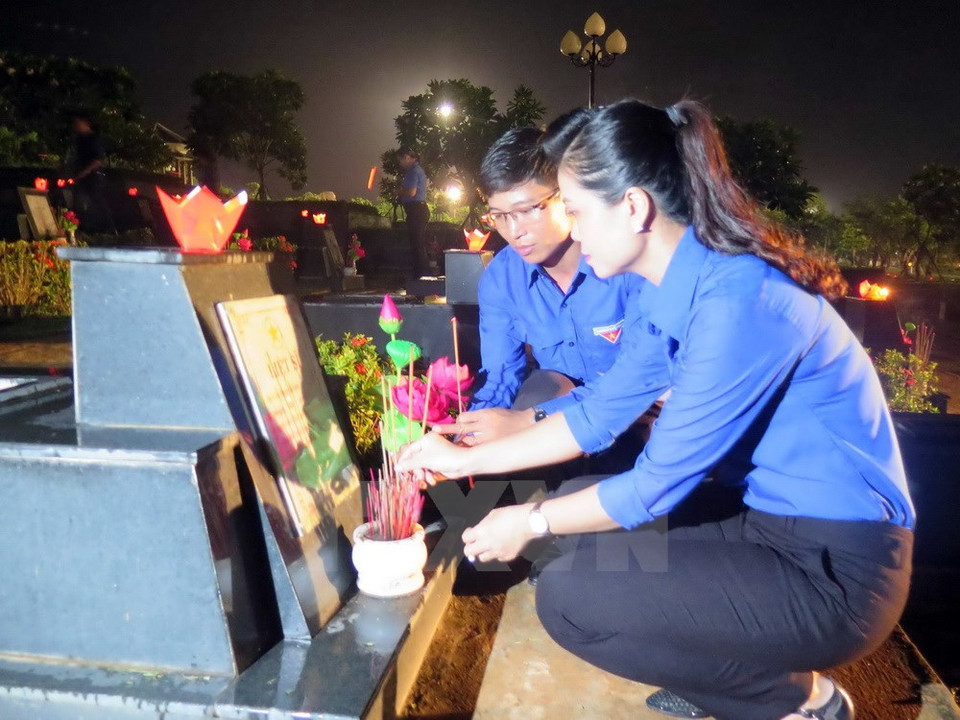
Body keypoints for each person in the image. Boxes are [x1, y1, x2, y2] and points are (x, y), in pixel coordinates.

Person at [397, 99, 915, 720]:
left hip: (837, 571)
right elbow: (594, 415)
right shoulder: (672, 290)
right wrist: (456, 461)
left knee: (567, 595)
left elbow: (654, 488)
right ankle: (726, 673)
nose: (574, 228)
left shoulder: (738, 302)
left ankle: (798, 701)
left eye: (577, 209)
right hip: (766, 523)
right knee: (580, 534)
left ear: (634, 206)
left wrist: (528, 523)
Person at [448, 124, 663, 467]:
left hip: (642, 417)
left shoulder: (623, 260)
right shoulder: (502, 278)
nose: (514, 232)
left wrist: (531, 419)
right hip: (561, 427)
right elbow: (501, 374)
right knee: (537, 391)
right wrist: (465, 433)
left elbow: (642, 379)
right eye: (500, 216)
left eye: (528, 210)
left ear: (567, 194)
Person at [69, 112, 115, 234]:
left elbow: (98, 160)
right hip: (82, 177)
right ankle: (80, 230)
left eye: (78, 122)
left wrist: (85, 171)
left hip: (94, 178)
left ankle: (109, 230)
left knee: (97, 202)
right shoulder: (79, 139)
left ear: (86, 123)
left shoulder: (93, 138)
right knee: (79, 203)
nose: (76, 125)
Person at [397, 148, 432, 277]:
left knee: (417, 245)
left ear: (406, 157)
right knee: (418, 244)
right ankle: (422, 275)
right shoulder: (417, 170)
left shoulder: (413, 172)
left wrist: (399, 192)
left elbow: (412, 192)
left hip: (416, 210)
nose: (400, 163)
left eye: (400, 160)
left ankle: (422, 275)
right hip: (419, 209)